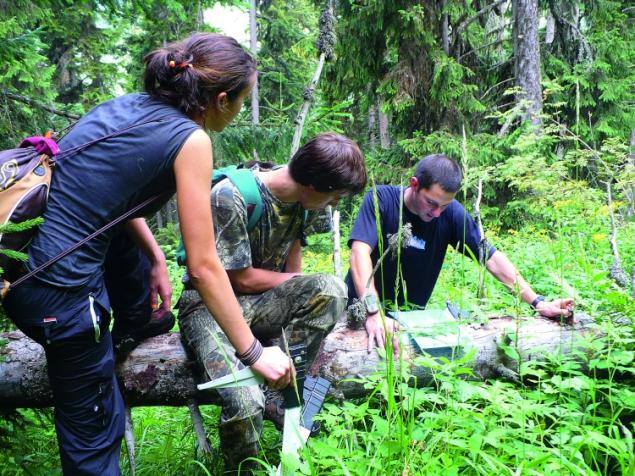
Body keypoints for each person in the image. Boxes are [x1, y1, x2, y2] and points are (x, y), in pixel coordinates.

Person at [2, 33, 294, 475]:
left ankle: (135, 324)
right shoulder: (192, 140)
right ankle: (100, 350)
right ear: (219, 100)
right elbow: (203, 265)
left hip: (24, 261)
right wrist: (254, 353)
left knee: (127, 245)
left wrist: (156, 257)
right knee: (95, 430)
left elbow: (106, 199)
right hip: (58, 298)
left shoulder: (129, 106)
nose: (236, 113)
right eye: (241, 102)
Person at [178, 133, 367, 472]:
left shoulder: (306, 205)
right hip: (210, 305)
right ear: (311, 184)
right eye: (335, 195)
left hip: (262, 302)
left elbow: (293, 266)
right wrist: (257, 350)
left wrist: (294, 299)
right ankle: (243, 468)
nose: (335, 203)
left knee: (332, 288)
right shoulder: (230, 196)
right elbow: (239, 279)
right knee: (244, 398)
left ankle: (279, 396)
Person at [346, 153, 574, 353]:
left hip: (410, 322)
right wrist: (373, 312)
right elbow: (359, 253)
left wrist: (538, 302)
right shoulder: (382, 200)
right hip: (358, 317)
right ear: (414, 184)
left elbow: (491, 258)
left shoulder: (451, 214)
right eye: (431, 203)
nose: (436, 213)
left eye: (444, 206)